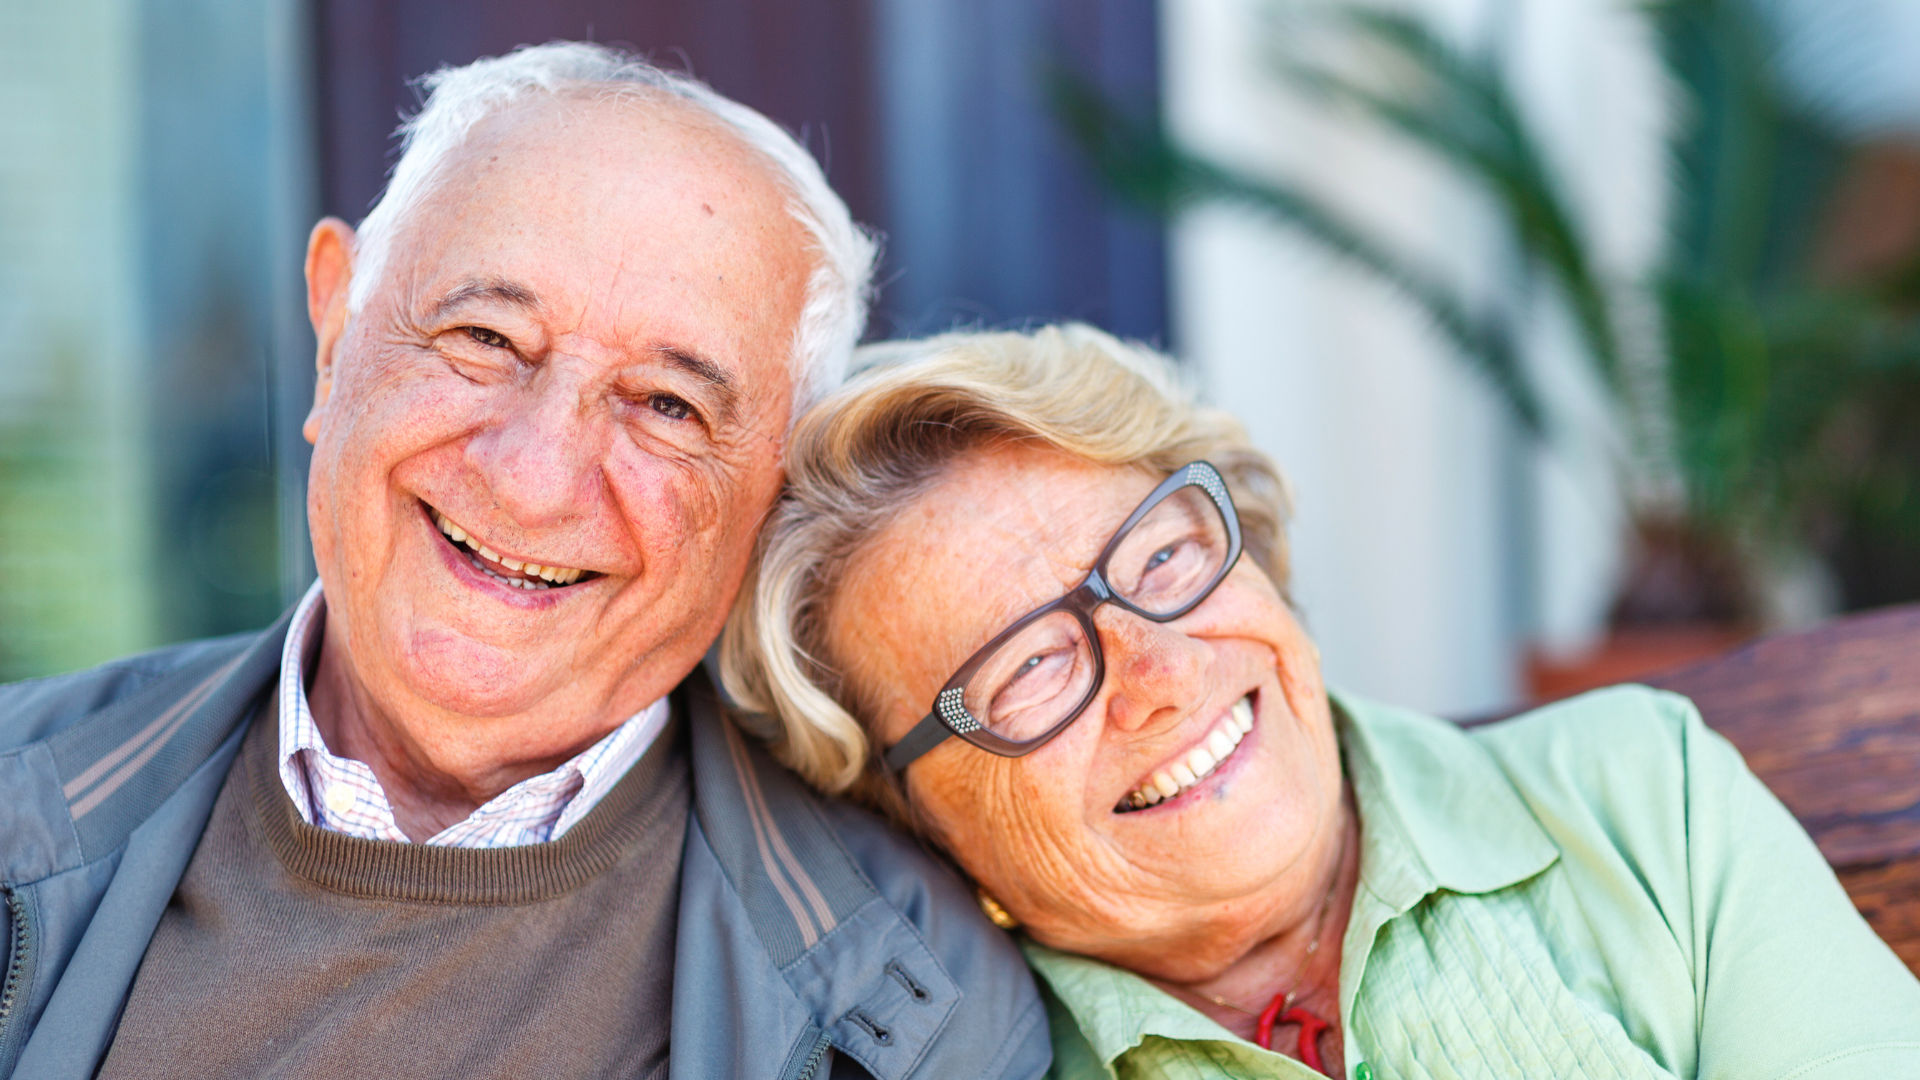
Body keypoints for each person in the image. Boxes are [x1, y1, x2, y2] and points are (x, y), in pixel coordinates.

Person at [0, 45, 1049, 1080]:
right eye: (487, 337)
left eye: (667, 407)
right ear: (333, 335)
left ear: (774, 493)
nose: (533, 479)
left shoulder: (911, 1019)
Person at [721, 323, 1920, 1079]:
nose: (1160, 670)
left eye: (1159, 556)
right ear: (919, 811)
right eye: (1026, 666)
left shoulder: (1641, 791)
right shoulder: (971, 1063)